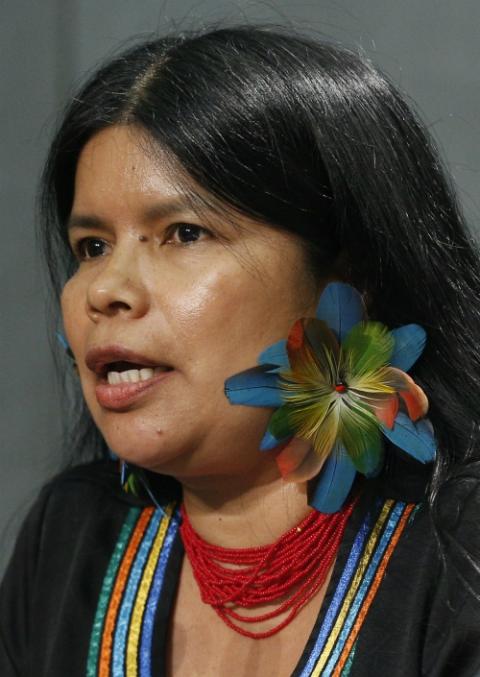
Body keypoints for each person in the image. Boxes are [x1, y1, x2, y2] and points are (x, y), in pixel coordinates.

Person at [1, 24, 480, 677]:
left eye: (184, 232)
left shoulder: (456, 554)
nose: (105, 289)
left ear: (347, 278)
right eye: (92, 246)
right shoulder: (72, 540)